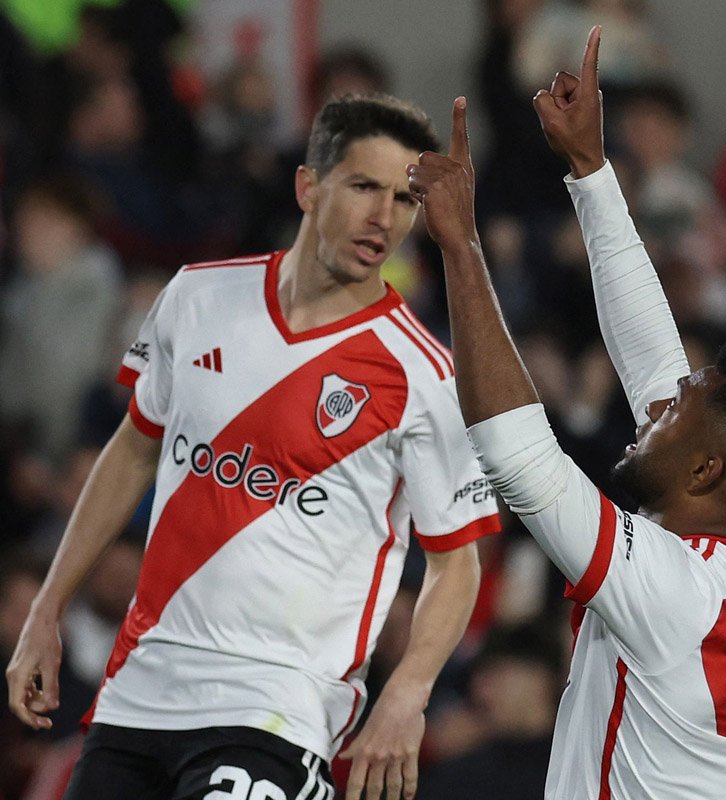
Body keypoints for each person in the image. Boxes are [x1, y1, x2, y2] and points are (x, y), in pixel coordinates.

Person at [6, 93, 501, 800]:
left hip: (280, 704)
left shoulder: (422, 374)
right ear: (308, 185)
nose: (384, 218)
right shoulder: (196, 297)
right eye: (364, 187)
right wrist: (46, 609)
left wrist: (407, 694)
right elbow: (132, 450)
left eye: (403, 199)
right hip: (144, 688)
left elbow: (458, 566)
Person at [406, 27, 726, 799]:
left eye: (678, 410)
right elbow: (653, 353)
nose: (658, 400)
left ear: (708, 469)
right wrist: (591, 169)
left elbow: (520, 456)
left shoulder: (669, 584)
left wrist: (462, 248)